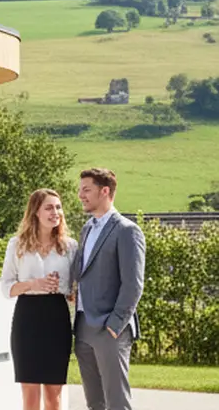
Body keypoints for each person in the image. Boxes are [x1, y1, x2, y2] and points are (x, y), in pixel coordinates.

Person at [72, 168, 145, 410]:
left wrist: (115, 325)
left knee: (116, 403)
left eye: (86, 189)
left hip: (109, 329)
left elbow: (133, 283)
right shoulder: (87, 229)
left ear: (105, 191)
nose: (80, 194)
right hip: (83, 327)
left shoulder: (127, 230)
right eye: (80, 189)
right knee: (95, 403)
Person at [0, 189, 77, 410]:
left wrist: (67, 290)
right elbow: (6, 288)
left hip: (57, 317)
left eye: (58, 207)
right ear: (35, 211)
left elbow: (75, 287)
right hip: (27, 318)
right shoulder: (17, 245)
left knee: (54, 396)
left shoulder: (70, 246)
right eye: (49, 207)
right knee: (30, 396)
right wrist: (34, 284)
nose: (56, 212)